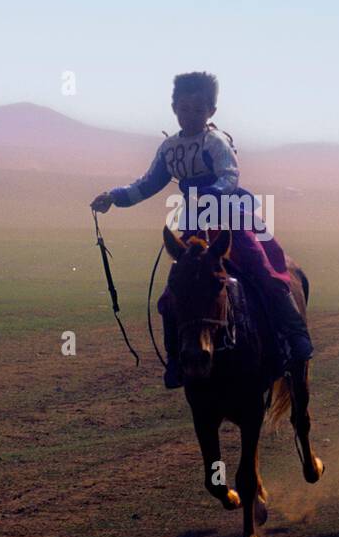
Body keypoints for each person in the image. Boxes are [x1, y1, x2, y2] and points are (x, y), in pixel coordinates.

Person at [90, 71, 310, 388]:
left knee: (263, 269)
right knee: (172, 294)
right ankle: (176, 361)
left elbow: (230, 175)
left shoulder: (216, 142)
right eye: (184, 108)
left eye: (198, 108)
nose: (190, 114)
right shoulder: (169, 148)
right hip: (193, 224)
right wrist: (115, 197)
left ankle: (294, 338)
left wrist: (210, 195)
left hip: (230, 218)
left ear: (211, 112)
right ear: (174, 108)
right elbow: (148, 183)